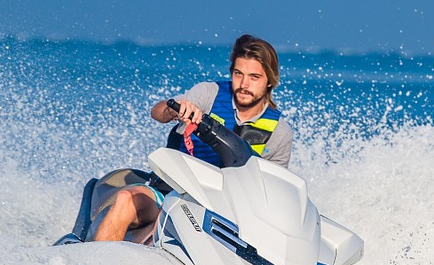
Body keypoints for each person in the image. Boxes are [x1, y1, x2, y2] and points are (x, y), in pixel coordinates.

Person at [91, 34, 294, 243]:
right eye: (238, 74)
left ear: (270, 80)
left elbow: (274, 196)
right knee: (126, 200)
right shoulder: (209, 94)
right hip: (170, 193)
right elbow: (157, 112)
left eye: (254, 77)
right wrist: (174, 109)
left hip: (224, 215)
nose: (243, 84)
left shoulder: (279, 132)